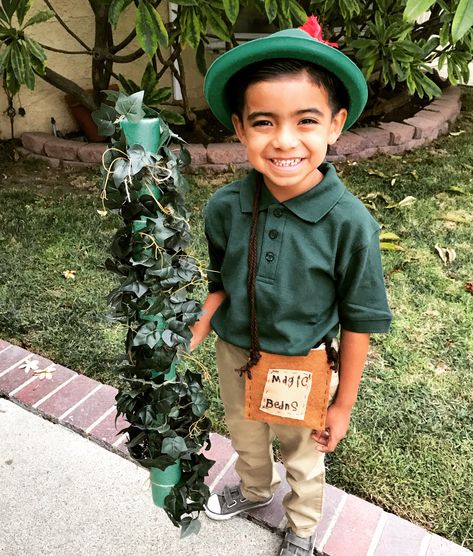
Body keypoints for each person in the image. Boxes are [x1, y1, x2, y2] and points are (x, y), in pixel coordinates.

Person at [190, 16, 392, 556]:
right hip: (236, 353)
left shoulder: (350, 224)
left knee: (303, 453)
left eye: (305, 120)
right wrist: (200, 320)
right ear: (239, 128)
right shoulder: (225, 207)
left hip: (303, 365)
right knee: (245, 434)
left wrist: (342, 404)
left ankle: (301, 527)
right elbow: (220, 281)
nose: (284, 141)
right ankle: (255, 491)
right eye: (263, 122)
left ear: (335, 123)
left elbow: (361, 320)